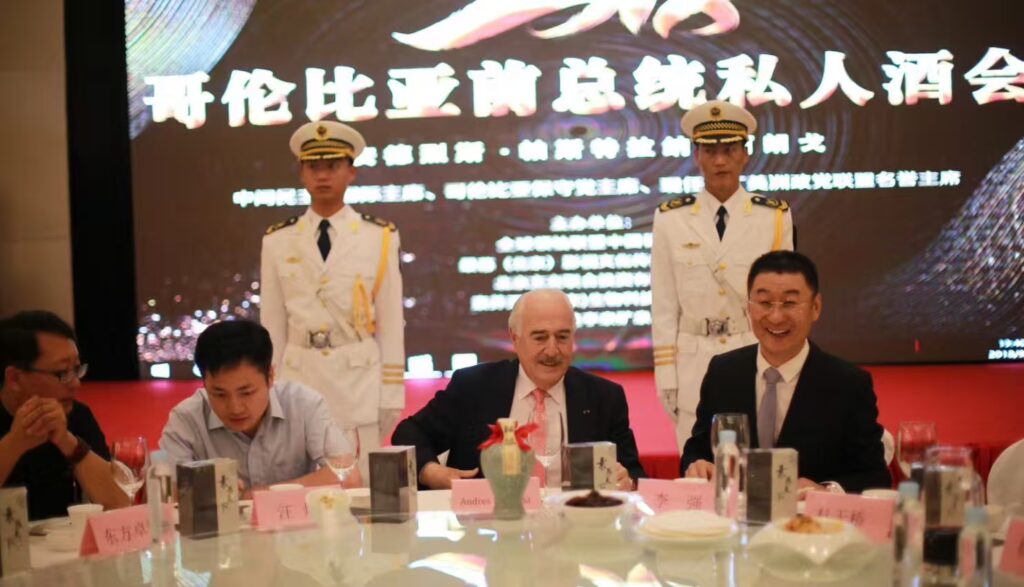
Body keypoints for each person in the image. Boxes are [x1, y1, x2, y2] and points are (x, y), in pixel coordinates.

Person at [260, 120, 405, 477]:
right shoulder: (277, 241)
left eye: (332, 165)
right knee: (301, 487)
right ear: (301, 173)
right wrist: (269, 388)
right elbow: (272, 323)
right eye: (313, 166)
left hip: (359, 381)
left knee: (363, 488)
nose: (322, 175)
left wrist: (391, 392)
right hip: (298, 376)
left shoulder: (379, 236)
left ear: (351, 172)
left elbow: (390, 320)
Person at [392, 289, 646, 490]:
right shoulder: (474, 387)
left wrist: (628, 482)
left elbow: (635, 475)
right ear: (515, 338)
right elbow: (408, 433)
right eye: (540, 337)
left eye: (562, 337)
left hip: (574, 529)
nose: (552, 351)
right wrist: (432, 472)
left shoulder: (604, 397)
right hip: (487, 529)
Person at [680, 251, 891, 494]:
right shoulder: (723, 372)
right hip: (737, 514)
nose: (776, 317)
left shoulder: (848, 384)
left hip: (808, 517)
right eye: (764, 303)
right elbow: (696, 451)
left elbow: (874, 476)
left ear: (816, 307)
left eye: (790, 303)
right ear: (748, 308)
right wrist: (698, 466)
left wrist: (826, 491)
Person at [651, 100, 795, 452]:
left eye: (729, 150)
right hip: (693, 361)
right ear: (696, 155)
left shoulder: (773, 217)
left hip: (752, 353)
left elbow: (786, 301)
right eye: (710, 151)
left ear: (745, 154)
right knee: (697, 466)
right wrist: (666, 373)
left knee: (755, 462)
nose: (720, 161)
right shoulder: (670, 219)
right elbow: (664, 305)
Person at [159, 320, 359, 493]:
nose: (235, 407)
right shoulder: (186, 420)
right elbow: (166, 493)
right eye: (219, 394)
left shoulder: (303, 404)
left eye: (246, 392)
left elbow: (348, 476)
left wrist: (260, 495)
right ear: (204, 383)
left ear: (270, 376)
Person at [0, 311, 129, 520]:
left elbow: (121, 502)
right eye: (62, 373)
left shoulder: (77, 416)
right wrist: (15, 443)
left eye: (76, 370)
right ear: (15, 378)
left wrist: (69, 442)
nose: (75, 383)